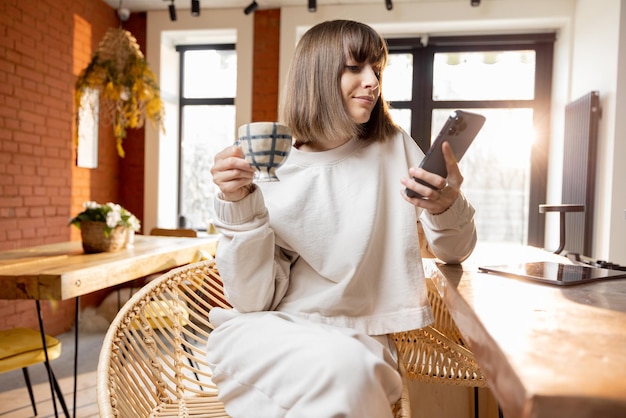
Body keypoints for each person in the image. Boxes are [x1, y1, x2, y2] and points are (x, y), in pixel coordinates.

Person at [207, 19, 477, 418]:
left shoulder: (394, 146)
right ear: (316, 75)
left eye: (377, 70)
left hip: (362, 343)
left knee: (351, 374)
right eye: (355, 67)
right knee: (347, 376)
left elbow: (456, 252)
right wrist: (238, 202)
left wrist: (444, 206)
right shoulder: (271, 168)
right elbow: (251, 301)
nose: (373, 81)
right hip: (271, 336)